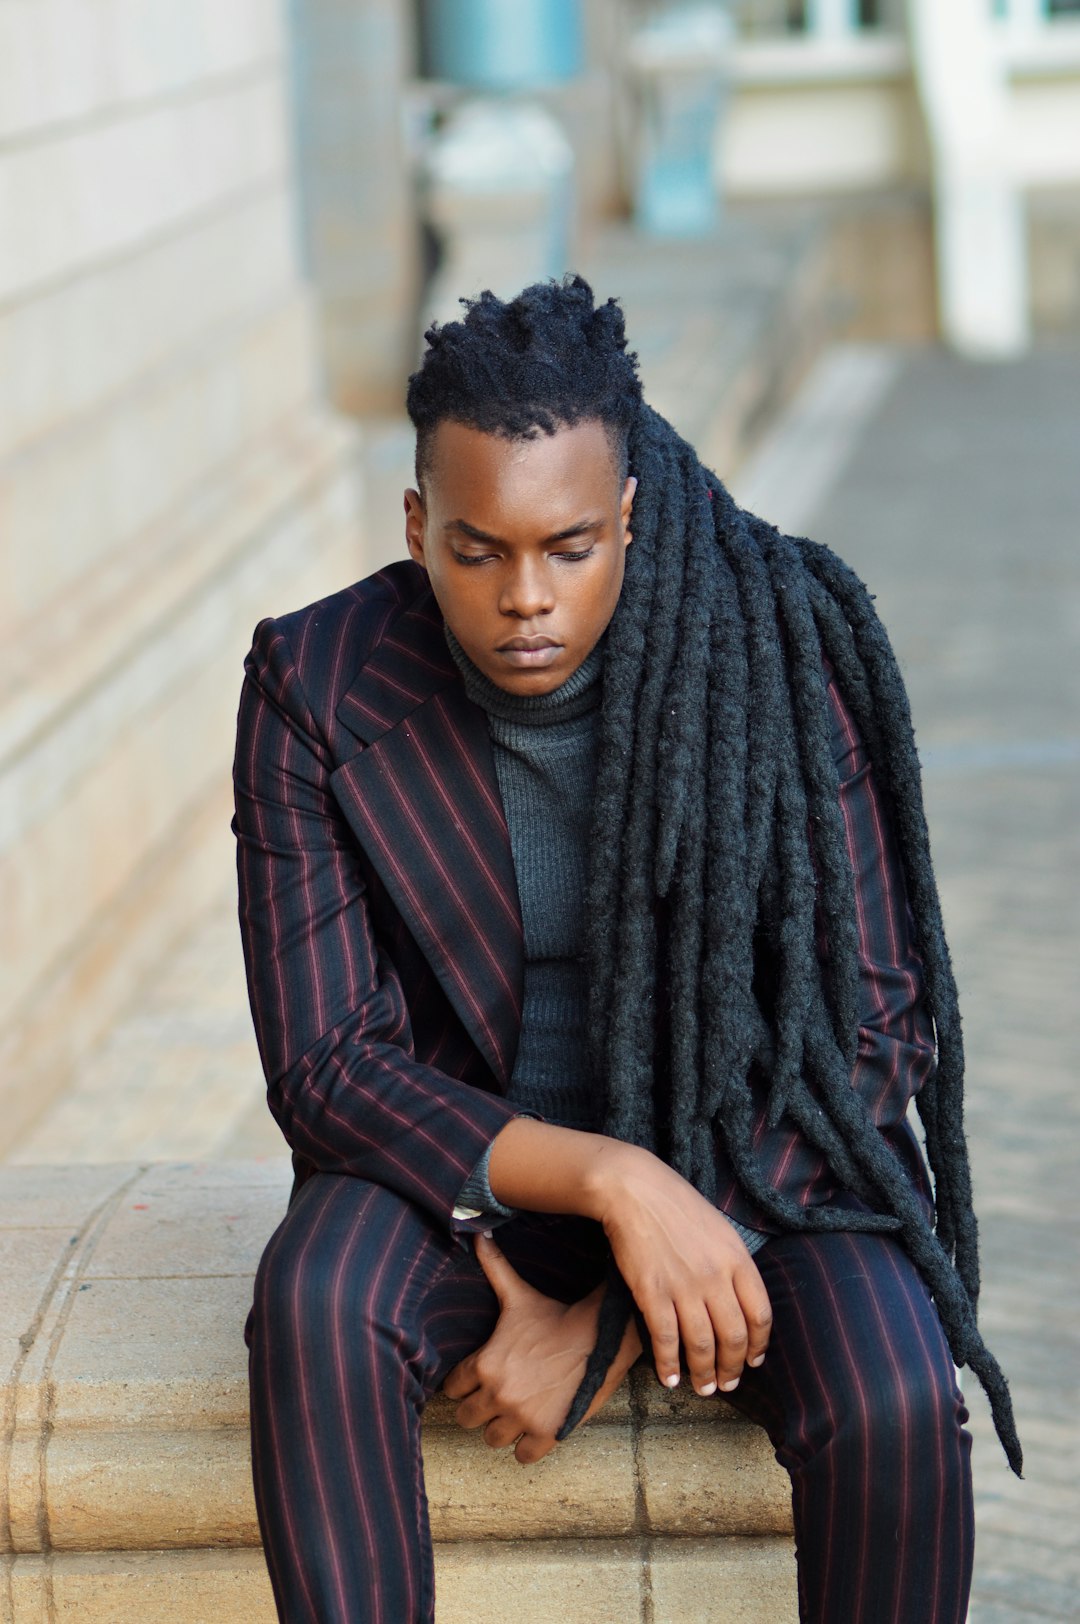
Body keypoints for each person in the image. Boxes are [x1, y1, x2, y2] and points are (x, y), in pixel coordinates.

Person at [232, 275, 1020, 1624]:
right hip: (468, 1165)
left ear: (631, 520)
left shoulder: (773, 651)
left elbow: (880, 1022)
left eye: (571, 547)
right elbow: (326, 1065)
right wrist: (608, 1178)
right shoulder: (317, 682)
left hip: (758, 1153)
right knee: (315, 1309)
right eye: (477, 552)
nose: (523, 598)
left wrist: (596, 1318)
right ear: (417, 525)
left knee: (895, 1393)